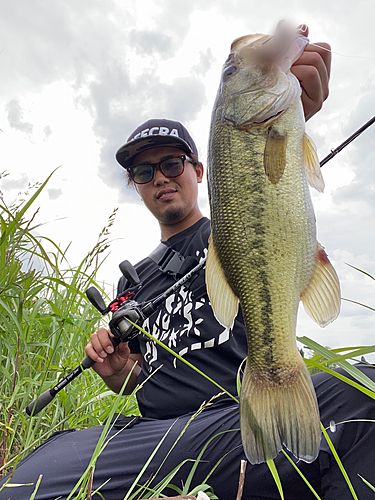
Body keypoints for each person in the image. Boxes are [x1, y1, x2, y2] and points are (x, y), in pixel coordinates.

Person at [1, 29, 375, 500]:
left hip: (238, 419)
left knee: (366, 391)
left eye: (172, 163)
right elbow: (140, 375)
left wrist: (295, 111)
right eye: (143, 171)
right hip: (153, 440)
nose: (159, 178)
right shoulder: (132, 281)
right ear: (134, 186)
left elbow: (268, 185)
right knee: (21, 485)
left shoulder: (231, 228)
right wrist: (121, 375)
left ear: (201, 171)